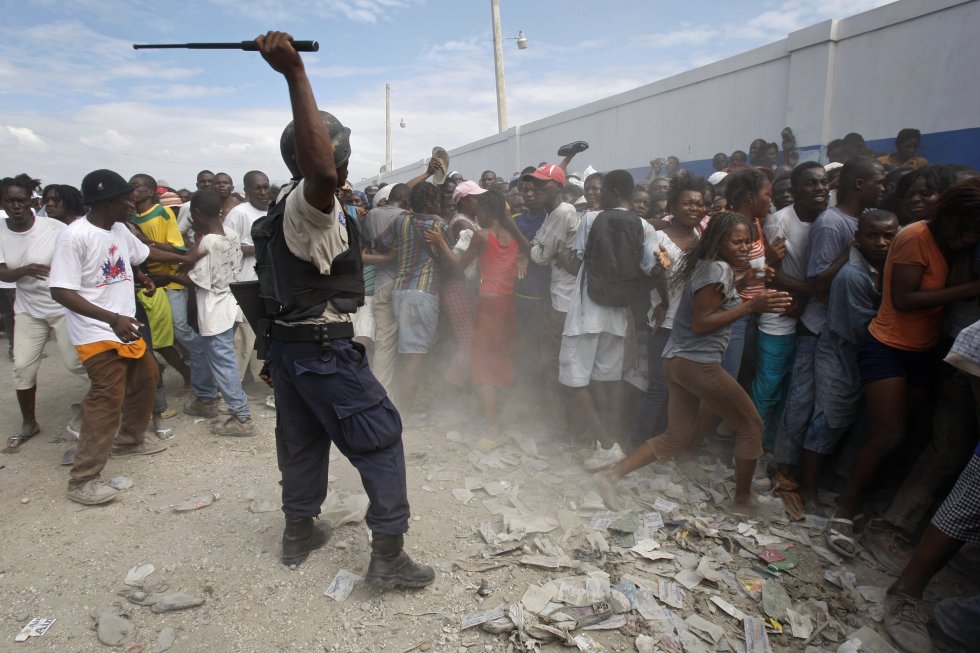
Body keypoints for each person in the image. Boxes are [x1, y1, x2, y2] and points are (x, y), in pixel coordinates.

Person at [252, 31, 432, 588]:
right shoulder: (312, 206)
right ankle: (388, 556)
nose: (343, 171)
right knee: (379, 438)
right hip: (322, 352)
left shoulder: (281, 206)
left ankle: (298, 533)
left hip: (290, 351)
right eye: (340, 161)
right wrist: (295, 75)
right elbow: (323, 175)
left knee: (302, 440)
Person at [595, 212, 791, 512]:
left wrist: (751, 281)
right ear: (718, 241)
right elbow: (702, 322)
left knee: (675, 437)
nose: (743, 247)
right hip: (698, 363)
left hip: (679, 362)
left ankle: (610, 475)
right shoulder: (717, 270)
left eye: (747, 242)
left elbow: (718, 298)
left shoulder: (711, 267)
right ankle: (743, 500)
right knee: (752, 425)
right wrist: (752, 305)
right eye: (736, 241)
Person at [828, 179, 980, 556]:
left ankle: (864, 501)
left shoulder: (952, 244)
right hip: (888, 346)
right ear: (952, 217)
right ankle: (844, 510)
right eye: (964, 231)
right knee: (888, 434)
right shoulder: (915, 236)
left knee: (895, 432)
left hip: (924, 349)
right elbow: (904, 298)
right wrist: (969, 290)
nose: (968, 238)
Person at [49, 169, 189, 505]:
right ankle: (83, 480)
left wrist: (182, 260)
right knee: (106, 398)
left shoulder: (118, 230)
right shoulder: (75, 236)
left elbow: (143, 255)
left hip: (124, 326)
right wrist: (111, 318)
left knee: (147, 377)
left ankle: (130, 439)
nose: (132, 202)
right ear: (104, 202)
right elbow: (60, 291)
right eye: (125, 198)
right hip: (97, 331)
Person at [774, 156, 885, 484]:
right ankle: (784, 466)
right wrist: (850, 252)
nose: (885, 188)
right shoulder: (832, 224)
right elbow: (819, 283)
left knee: (829, 407)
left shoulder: (863, 219)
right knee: (802, 400)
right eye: (880, 182)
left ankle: (807, 471)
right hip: (820, 325)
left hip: (840, 327)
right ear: (860, 184)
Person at [557, 170, 667, 469]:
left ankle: (606, 444)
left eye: (602, 189)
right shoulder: (646, 227)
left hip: (585, 314)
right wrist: (664, 304)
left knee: (574, 379)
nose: (597, 194)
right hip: (619, 316)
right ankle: (609, 439)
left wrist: (558, 252)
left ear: (613, 190)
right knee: (607, 381)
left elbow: (575, 263)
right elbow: (655, 269)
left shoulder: (591, 219)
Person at [799, 210, 899, 510]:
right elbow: (859, 328)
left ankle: (830, 483)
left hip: (863, 355)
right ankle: (808, 489)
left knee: (849, 422)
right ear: (858, 237)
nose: (881, 242)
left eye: (888, 236)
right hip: (842, 352)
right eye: (872, 235)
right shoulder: (852, 275)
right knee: (827, 420)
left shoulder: (884, 266)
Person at [426, 190, 530, 436]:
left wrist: (441, 241)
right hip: (508, 305)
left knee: (484, 364)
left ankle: (492, 424)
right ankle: (499, 416)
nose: (476, 216)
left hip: (488, 306)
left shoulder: (482, 236)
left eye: (479, 211)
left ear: (487, 212)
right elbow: (525, 252)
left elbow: (459, 266)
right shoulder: (513, 238)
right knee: (501, 359)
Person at [0, 175, 86, 449]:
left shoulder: (55, 228)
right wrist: (25, 270)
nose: (16, 206)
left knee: (76, 363)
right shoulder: (1, 233)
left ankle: (110, 398)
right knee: (23, 368)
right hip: (28, 310)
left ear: (30, 202)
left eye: (21, 200)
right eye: (10, 201)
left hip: (62, 306)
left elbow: (78, 260)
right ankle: (29, 422)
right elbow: (3, 273)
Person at [164, 190, 253, 436]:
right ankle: (205, 399)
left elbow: (198, 280)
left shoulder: (207, 241)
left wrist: (168, 277)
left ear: (196, 215)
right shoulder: (231, 234)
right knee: (204, 351)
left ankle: (241, 416)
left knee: (223, 361)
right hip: (231, 303)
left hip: (215, 308)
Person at [751, 162, 828, 449]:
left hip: (813, 316)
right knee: (769, 385)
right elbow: (770, 272)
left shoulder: (830, 220)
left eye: (823, 182)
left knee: (793, 389)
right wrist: (809, 291)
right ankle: (751, 443)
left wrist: (807, 297)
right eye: (811, 183)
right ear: (795, 191)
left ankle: (774, 446)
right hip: (780, 313)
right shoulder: (779, 222)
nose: (820, 188)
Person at [375, 183, 451, 414]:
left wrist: (393, 252)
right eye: (437, 199)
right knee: (414, 354)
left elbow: (379, 242)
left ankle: (399, 403)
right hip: (423, 292)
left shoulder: (401, 220)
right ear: (430, 203)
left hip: (399, 290)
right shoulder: (439, 225)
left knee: (407, 351)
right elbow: (451, 259)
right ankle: (404, 412)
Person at [639, 175, 704, 438]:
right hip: (664, 326)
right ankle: (640, 443)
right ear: (672, 207)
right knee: (659, 388)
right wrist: (664, 302)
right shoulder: (657, 239)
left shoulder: (703, 239)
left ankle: (668, 442)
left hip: (692, 326)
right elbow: (652, 274)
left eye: (699, 204)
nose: (695, 209)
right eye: (688, 203)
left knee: (684, 390)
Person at [128, 174, 194, 392]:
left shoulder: (162, 213)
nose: (132, 190)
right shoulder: (130, 219)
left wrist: (146, 244)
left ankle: (203, 357)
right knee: (158, 338)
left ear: (150, 192)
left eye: (136, 187)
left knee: (179, 329)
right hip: (147, 285)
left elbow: (178, 249)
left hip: (169, 281)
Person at [223, 170, 271, 387]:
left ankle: (259, 383)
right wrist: (260, 248)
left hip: (269, 284)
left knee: (264, 337)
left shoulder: (273, 211)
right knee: (243, 340)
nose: (262, 192)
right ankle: (232, 390)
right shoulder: (239, 214)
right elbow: (227, 247)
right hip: (245, 284)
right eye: (257, 188)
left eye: (265, 187)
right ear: (247, 191)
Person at [362, 183, 410, 395]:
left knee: (384, 342)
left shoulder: (372, 215)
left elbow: (366, 244)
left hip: (381, 282)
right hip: (407, 283)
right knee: (409, 343)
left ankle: (381, 394)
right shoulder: (409, 217)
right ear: (407, 200)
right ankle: (404, 394)